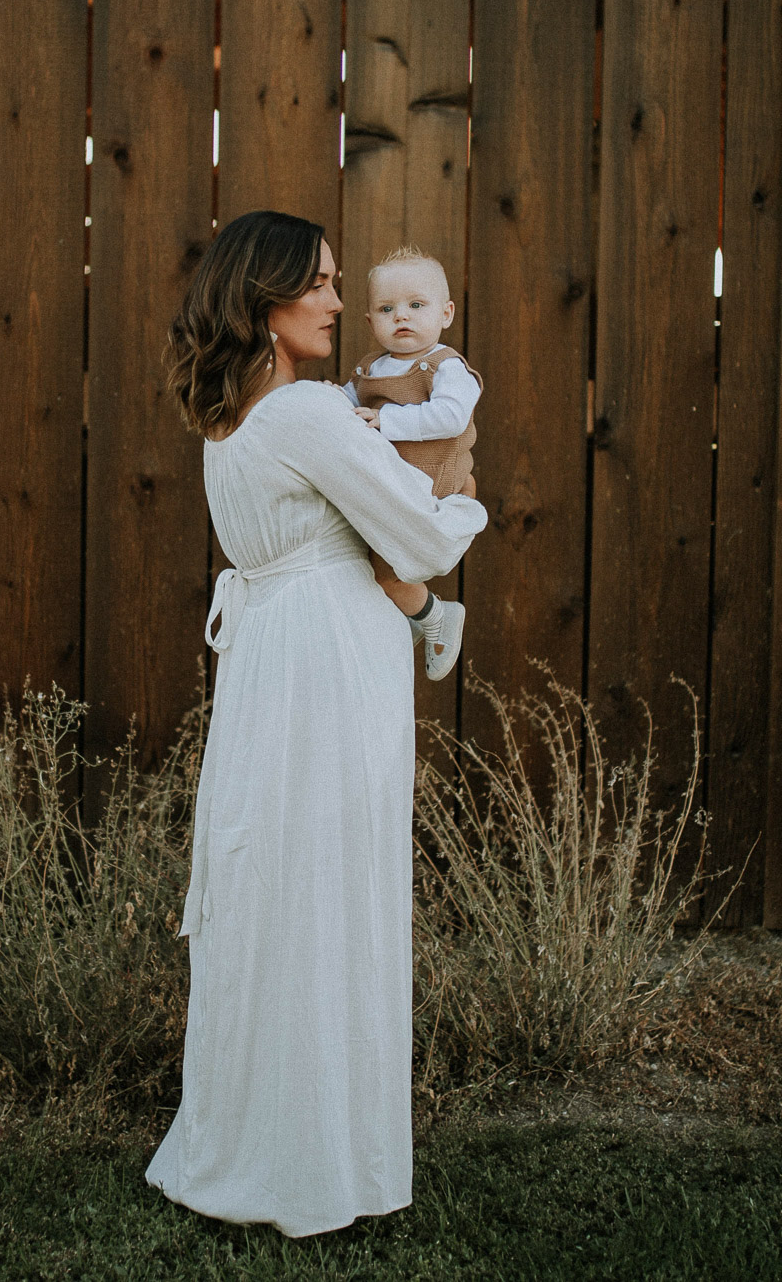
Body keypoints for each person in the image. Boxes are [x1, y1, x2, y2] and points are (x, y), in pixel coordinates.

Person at [145, 211, 487, 1237]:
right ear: (266, 299)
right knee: (329, 898)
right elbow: (418, 537)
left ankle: (265, 1147)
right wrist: (466, 503)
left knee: (275, 895)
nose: (341, 303)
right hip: (328, 665)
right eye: (323, 284)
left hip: (273, 661)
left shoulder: (233, 416)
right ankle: (317, 1169)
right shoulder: (302, 413)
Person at [341, 246, 482, 682]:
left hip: (431, 482)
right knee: (368, 565)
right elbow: (348, 405)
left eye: (416, 305)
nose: (401, 316)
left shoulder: (445, 366)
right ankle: (410, 618)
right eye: (387, 309)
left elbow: (451, 416)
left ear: (446, 313)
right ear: (370, 321)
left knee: (386, 575)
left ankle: (436, 616)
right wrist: (331, 399)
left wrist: (387, 421)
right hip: (394, 485)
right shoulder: (369, 368)